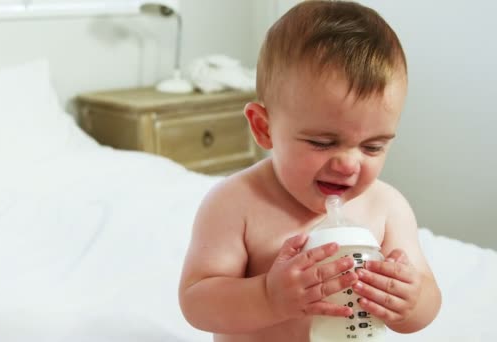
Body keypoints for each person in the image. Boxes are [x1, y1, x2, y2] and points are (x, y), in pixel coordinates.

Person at [178, 1, 441, 341]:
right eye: (322, 142)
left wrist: (412, 301)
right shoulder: (235, 203)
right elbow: (196, 302)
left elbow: (427, 298)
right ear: (264, 128)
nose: (348, 164)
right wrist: (267, 298)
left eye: (372, 147)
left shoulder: (387, 208)